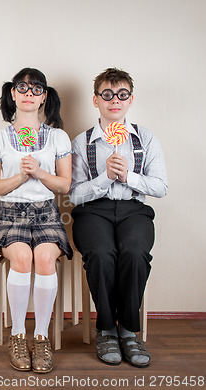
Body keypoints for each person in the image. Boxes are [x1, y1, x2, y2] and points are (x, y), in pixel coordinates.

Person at [69, 68, 168, 368]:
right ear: (96, 100)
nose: (115, 101)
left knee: (135, 253)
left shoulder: (146, 138)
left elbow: (161, 187)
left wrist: (130, 177)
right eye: (107, 95)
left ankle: (128, 330)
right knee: (100, 254)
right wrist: (103, 178)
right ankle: (107, 330)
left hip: (133, 210)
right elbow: (74, 195)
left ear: (130, 100)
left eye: (122, 95)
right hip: (93, 211)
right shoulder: (81, 143)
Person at [0, 68, 73, 373]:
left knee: (44, 259)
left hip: (47, 212)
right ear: (13, 93)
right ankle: (19, 335)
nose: (29, 94)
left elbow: (64, 185)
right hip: (10, 213)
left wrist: (39, 173)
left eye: (36, 89)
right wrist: (21, 176)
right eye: (23, 88)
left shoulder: (57, 137)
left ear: (44, 97)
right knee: (22, 257)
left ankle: (42, 337)